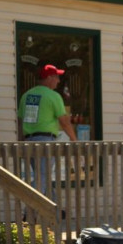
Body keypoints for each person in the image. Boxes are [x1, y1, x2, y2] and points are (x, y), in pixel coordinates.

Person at [18, 64, 77, 196]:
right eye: (56, 77)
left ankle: (56, 212)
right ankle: (30, 211)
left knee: (43, 177)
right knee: (42, 177)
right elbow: (65, 122)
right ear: (49, 77)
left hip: (28, 141)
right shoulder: (53, 96)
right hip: (45, 141)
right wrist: (74, 140)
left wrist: (21, 140)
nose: (58, 81)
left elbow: (20, 121)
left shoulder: (27, 95)